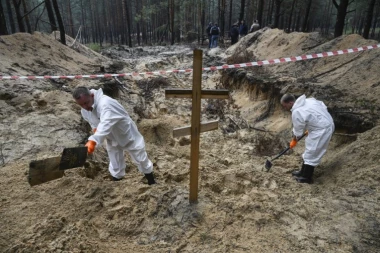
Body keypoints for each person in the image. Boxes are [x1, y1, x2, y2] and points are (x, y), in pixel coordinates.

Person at [72, 86, 156, 185]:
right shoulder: (85, 110)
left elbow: (106, 123)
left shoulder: (106, 103)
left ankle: (151, 181)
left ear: (92, 95)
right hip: (111, 138)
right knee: (115, 162)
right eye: (81, 105)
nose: (85, 107)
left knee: (140, 158)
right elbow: (94, 123)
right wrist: (95, 131)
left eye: (86, 103)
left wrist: (93, 140)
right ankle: (116, 185)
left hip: (126, 133)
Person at [280, 94, 334, 184]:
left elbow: (298, 131)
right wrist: (316, 121)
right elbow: (323, 106)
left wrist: (294, 140)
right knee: (309, 150)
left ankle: (306, 177)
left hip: (322, 130)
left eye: (285, 106)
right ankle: (302, 172)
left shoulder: (296, 111)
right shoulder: (309, 100)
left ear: (290, 102)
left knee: (312, 152)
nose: (285, 108)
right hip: (324, 124)